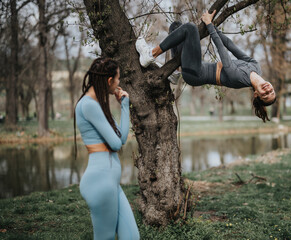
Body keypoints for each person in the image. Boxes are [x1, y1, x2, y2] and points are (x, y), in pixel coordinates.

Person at [136, 10, 276, 122]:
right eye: (271, 91)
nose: (268, 90)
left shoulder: (240, 79)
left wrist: (209, 25)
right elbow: (231, 46)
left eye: (265, 95)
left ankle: (150, 54)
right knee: (176, 27)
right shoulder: (256, 67)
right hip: (198, 66)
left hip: (196, 74)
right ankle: (176, 72)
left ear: (256, 94)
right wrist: (214, 28)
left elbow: (222, 51)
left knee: (190, 28)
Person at [74, 57, 140, 240]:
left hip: (110, 184)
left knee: (132, 237)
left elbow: (122, 137)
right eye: (118, 78)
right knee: (105, 237)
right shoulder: (88, 105)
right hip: (99, 183)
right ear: (110, 80)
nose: (119, 83)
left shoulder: (98, 105)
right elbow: (116, 144)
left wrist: (124, 106)